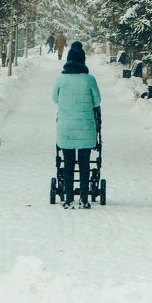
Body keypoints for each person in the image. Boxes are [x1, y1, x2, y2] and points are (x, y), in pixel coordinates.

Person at [52, 41, 101, 209]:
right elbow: (97, 101)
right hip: (86, 128)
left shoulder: (60, 79)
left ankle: (68, 198)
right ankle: (84, 198)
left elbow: (55, 99)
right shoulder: (90, 79)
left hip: (66, 128)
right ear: (83, 61)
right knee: (85, 163)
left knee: (68, 162)